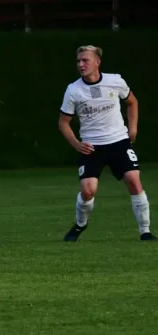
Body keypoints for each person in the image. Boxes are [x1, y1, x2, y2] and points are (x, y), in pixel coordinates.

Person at [59, 45, 155, 242]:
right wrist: (77, 144)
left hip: (119, 141)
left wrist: (133, 128)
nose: (81, 64)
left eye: (85, 60)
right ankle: (80, 225)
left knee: (134, 181)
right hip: (91, 146)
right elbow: (63, 123)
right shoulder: (73, 90)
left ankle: (145, 232)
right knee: (88, 190)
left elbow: (132, 102)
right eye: (78, 61)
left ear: (97, 62)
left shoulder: (115, 81)